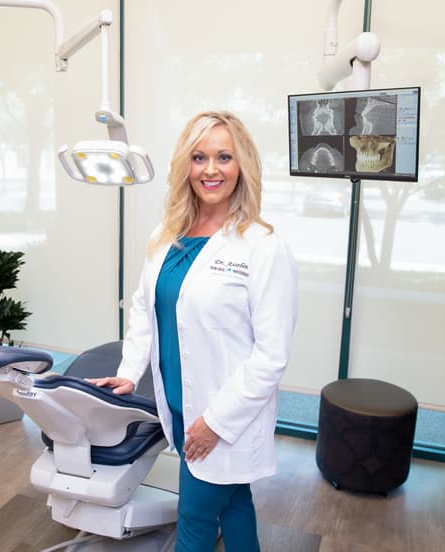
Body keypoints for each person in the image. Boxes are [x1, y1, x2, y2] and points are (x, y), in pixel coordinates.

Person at [87, 111, 298, 552]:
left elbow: (271, 356)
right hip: (180, 406)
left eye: (224, 157)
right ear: (186, 165)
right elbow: (145, 307)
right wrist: (129, 371)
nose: (210, 169)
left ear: (242, 165)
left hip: (224, 416)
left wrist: (215, 424)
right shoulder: (167, 235)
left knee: (195, 523)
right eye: (199, 157)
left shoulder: (263, 247)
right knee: (234, 503)